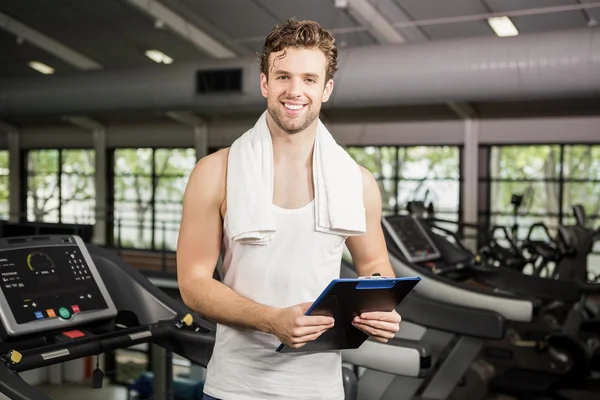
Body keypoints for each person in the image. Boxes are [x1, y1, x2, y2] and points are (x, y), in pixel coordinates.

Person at [176, 18, 401, 400]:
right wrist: (270, 320)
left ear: (326, 89)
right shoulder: (214, 173)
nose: (294, 91)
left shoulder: (357, 180)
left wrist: (382, 305)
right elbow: (193, 285)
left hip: (321, 389)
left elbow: (374, 262)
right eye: (283, 77)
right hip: (234, 390)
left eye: (309, 79)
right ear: (265, 83)